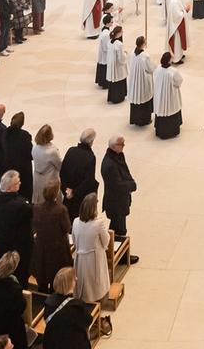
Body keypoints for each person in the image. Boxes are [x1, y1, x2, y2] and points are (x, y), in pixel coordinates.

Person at [100, 136, 139, 264]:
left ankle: (115, 251)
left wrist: (130, 181)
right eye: (122, 144)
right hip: (115, 202)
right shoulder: (110, 164)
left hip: (120, 200)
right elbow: (118, 185)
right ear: (114, 146)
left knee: (116, 227)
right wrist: (132, 186)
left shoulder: (118, 156)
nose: (124, 146)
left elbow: (125, 173)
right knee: (119, 229)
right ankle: (120, 256)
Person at [0, 171, 34, 285]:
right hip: (18, 247)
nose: (20, 183)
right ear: (10, 187)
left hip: (1, 241)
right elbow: (31, 211)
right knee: (20, 275)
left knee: (2, 270)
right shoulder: (20, 205)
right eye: (17, 182)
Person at [31, 182, 72, 293]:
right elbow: (67, 228)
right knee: (56, 281)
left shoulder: (36, 208)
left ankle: (40, 299)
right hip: (57, 250)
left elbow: (35, 225)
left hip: (42, 248)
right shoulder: (61, 209)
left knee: (42, 280)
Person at [72, 193, 112, 304]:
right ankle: (97, 303)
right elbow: (106, 241)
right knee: (95, 285)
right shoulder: (99, 223)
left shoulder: (76, 221)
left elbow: (74, 241)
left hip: (80, 258)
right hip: (94, 258)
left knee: (83, 283)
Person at [43, 267, 93, 349]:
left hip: (52, 343)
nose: (76, 279)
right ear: (69, 284)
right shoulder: (76, 306)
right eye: (74, 279)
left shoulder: (48, 302)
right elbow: (88, 320)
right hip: (72, 344)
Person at [152, 51, 184, 139]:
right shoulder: (173, 71)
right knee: (171, 108)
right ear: (169, 60)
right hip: (170, 95)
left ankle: (161, 130)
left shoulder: (158, 69)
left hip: (160, 95)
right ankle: (172, 131)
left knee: (162, 108)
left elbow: (155, 77)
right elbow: (179, 81)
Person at [127, 36, 154, 126]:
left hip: (134, 79)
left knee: (136, 97)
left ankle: (135, 119)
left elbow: (130, 63)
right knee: (143, 97)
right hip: (143, 80)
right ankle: (145, 120)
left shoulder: (132, 53)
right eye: (145, 41)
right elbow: (150, 68)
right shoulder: (145, 56)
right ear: (143, 44)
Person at [31, 124, 61, 204]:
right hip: (49, 179)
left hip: (37, 178)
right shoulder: (52, 151)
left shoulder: (35, 147)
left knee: (38, 199)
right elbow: (59, 166)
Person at [166, 0, 191, 65]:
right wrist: (186, 10)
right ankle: (176, 59)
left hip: (179, 24)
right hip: (176, 26)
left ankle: (180, 54)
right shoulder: (174, 1)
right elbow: (177, 15)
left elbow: (181, 8)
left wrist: (185, 9)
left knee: (180, 41)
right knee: (177, 42)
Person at [106, 26, 127, 104]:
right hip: (118, 67)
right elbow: (121, 58)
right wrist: (125, 54)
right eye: (121, 32)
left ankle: (112, 97)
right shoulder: (119, 44)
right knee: (119, 81)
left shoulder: (109, 41)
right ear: (118, 33)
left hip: (111, 65)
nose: (122, 33)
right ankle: (118, 97)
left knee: (113, 82)